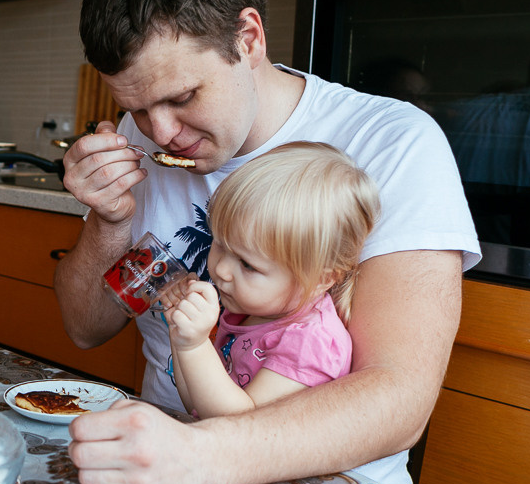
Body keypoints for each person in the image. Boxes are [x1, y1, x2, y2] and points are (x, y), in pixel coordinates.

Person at [55, 0, 480, 484]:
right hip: (161, 483)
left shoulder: (392, 143)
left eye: (182, 98)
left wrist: (198, 456)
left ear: (248, 38)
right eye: (134, 109)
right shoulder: (139, 139)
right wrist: (108, 220)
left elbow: (399, 400)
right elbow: (86, 327)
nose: (161, 133)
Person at [161, 142, 378, 430]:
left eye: (248, 265)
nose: (222, 270)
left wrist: (196, 345)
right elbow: (199, 406)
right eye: (220, 244)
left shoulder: (310, 342)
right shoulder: (250, 311)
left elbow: (241, 427)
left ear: (323, 279)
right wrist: (181, 336)